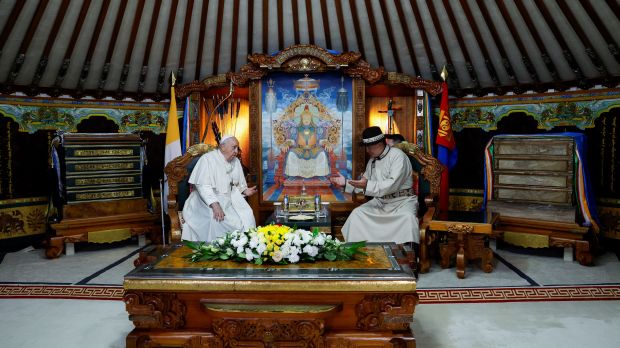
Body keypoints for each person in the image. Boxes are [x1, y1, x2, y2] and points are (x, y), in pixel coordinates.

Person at [329, 126, 419, 244]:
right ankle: (361, 252)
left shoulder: (398, 156)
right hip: (381, 203)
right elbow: (363, 185)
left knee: (407, 218)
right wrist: (345, 183)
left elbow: (391, 185)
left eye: (370, 146)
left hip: (402, 203)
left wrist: (366, 185)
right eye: (367, 146)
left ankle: (406, 257)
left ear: (382, 143)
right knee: (357, 214)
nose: (368, 150)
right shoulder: (372, 161)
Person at [181, 135, 257, 241]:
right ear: (222, 147)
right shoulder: (207, 159)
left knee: (247, 215)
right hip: (205, 201)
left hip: (228, 199)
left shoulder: (235, 161)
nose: (236, 151)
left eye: (237, 148)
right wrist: (215, 205)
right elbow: (202, 186)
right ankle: (215, 251)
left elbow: (236, 184)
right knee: (217, 220)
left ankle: (240, 249)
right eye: (234, 147)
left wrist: (244, 190)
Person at [281, 104, 330, 178]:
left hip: (313, 149)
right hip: (300, 149)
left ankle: (321, 174)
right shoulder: (297, 128)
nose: (306, 120)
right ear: (301, 119)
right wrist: (287, 143)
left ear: (311, 119)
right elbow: (292, 140)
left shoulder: (315, 128)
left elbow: (320, 140)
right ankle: (292, 175)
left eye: (308, 118)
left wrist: (326, 143)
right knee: (291, 154)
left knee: (322, 154)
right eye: (304, 118)